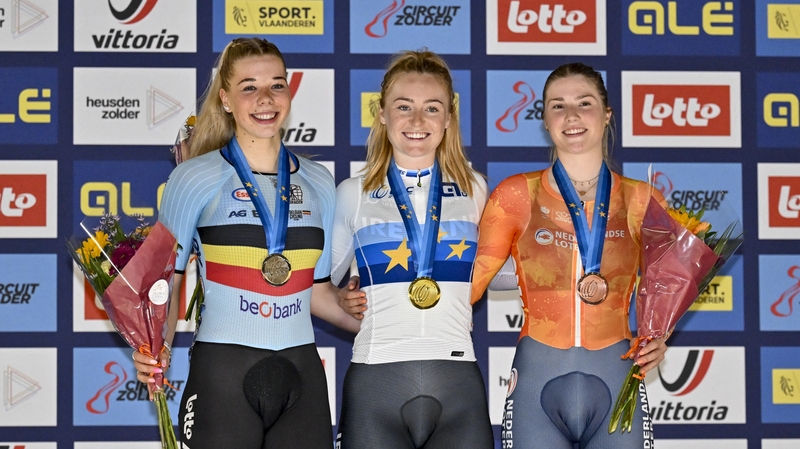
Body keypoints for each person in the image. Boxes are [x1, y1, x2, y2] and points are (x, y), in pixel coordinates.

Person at [132, 37, 359, 449]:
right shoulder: (194, 178)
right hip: (223, 371)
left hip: (301, 370)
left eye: (277, 84)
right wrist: (155, 348)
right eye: (249, 87)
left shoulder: (319, 182)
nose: (265, 98)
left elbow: (319, 293)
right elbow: (169, 283)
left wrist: (392, 322)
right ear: (225, 99)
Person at [470, 63, 668, 448]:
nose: (572, 116)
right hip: (536, 378)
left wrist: (659, 336)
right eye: (557, 106)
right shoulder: (516, 194)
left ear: (607, 114)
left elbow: (667, 284)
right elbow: (471, 282)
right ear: (544, 118)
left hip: (617, 373)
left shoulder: (642, 199)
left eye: (585, 103)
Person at [330, 50, 501, 448]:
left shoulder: (476, 190)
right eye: (403, 107)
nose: (417, 121)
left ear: (449, 117)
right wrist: (340, 298)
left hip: (458, 381)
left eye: (432, 108)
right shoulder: (352, 193)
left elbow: (505, 273)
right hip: (376, 380)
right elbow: (314, 286)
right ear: (383, 114)